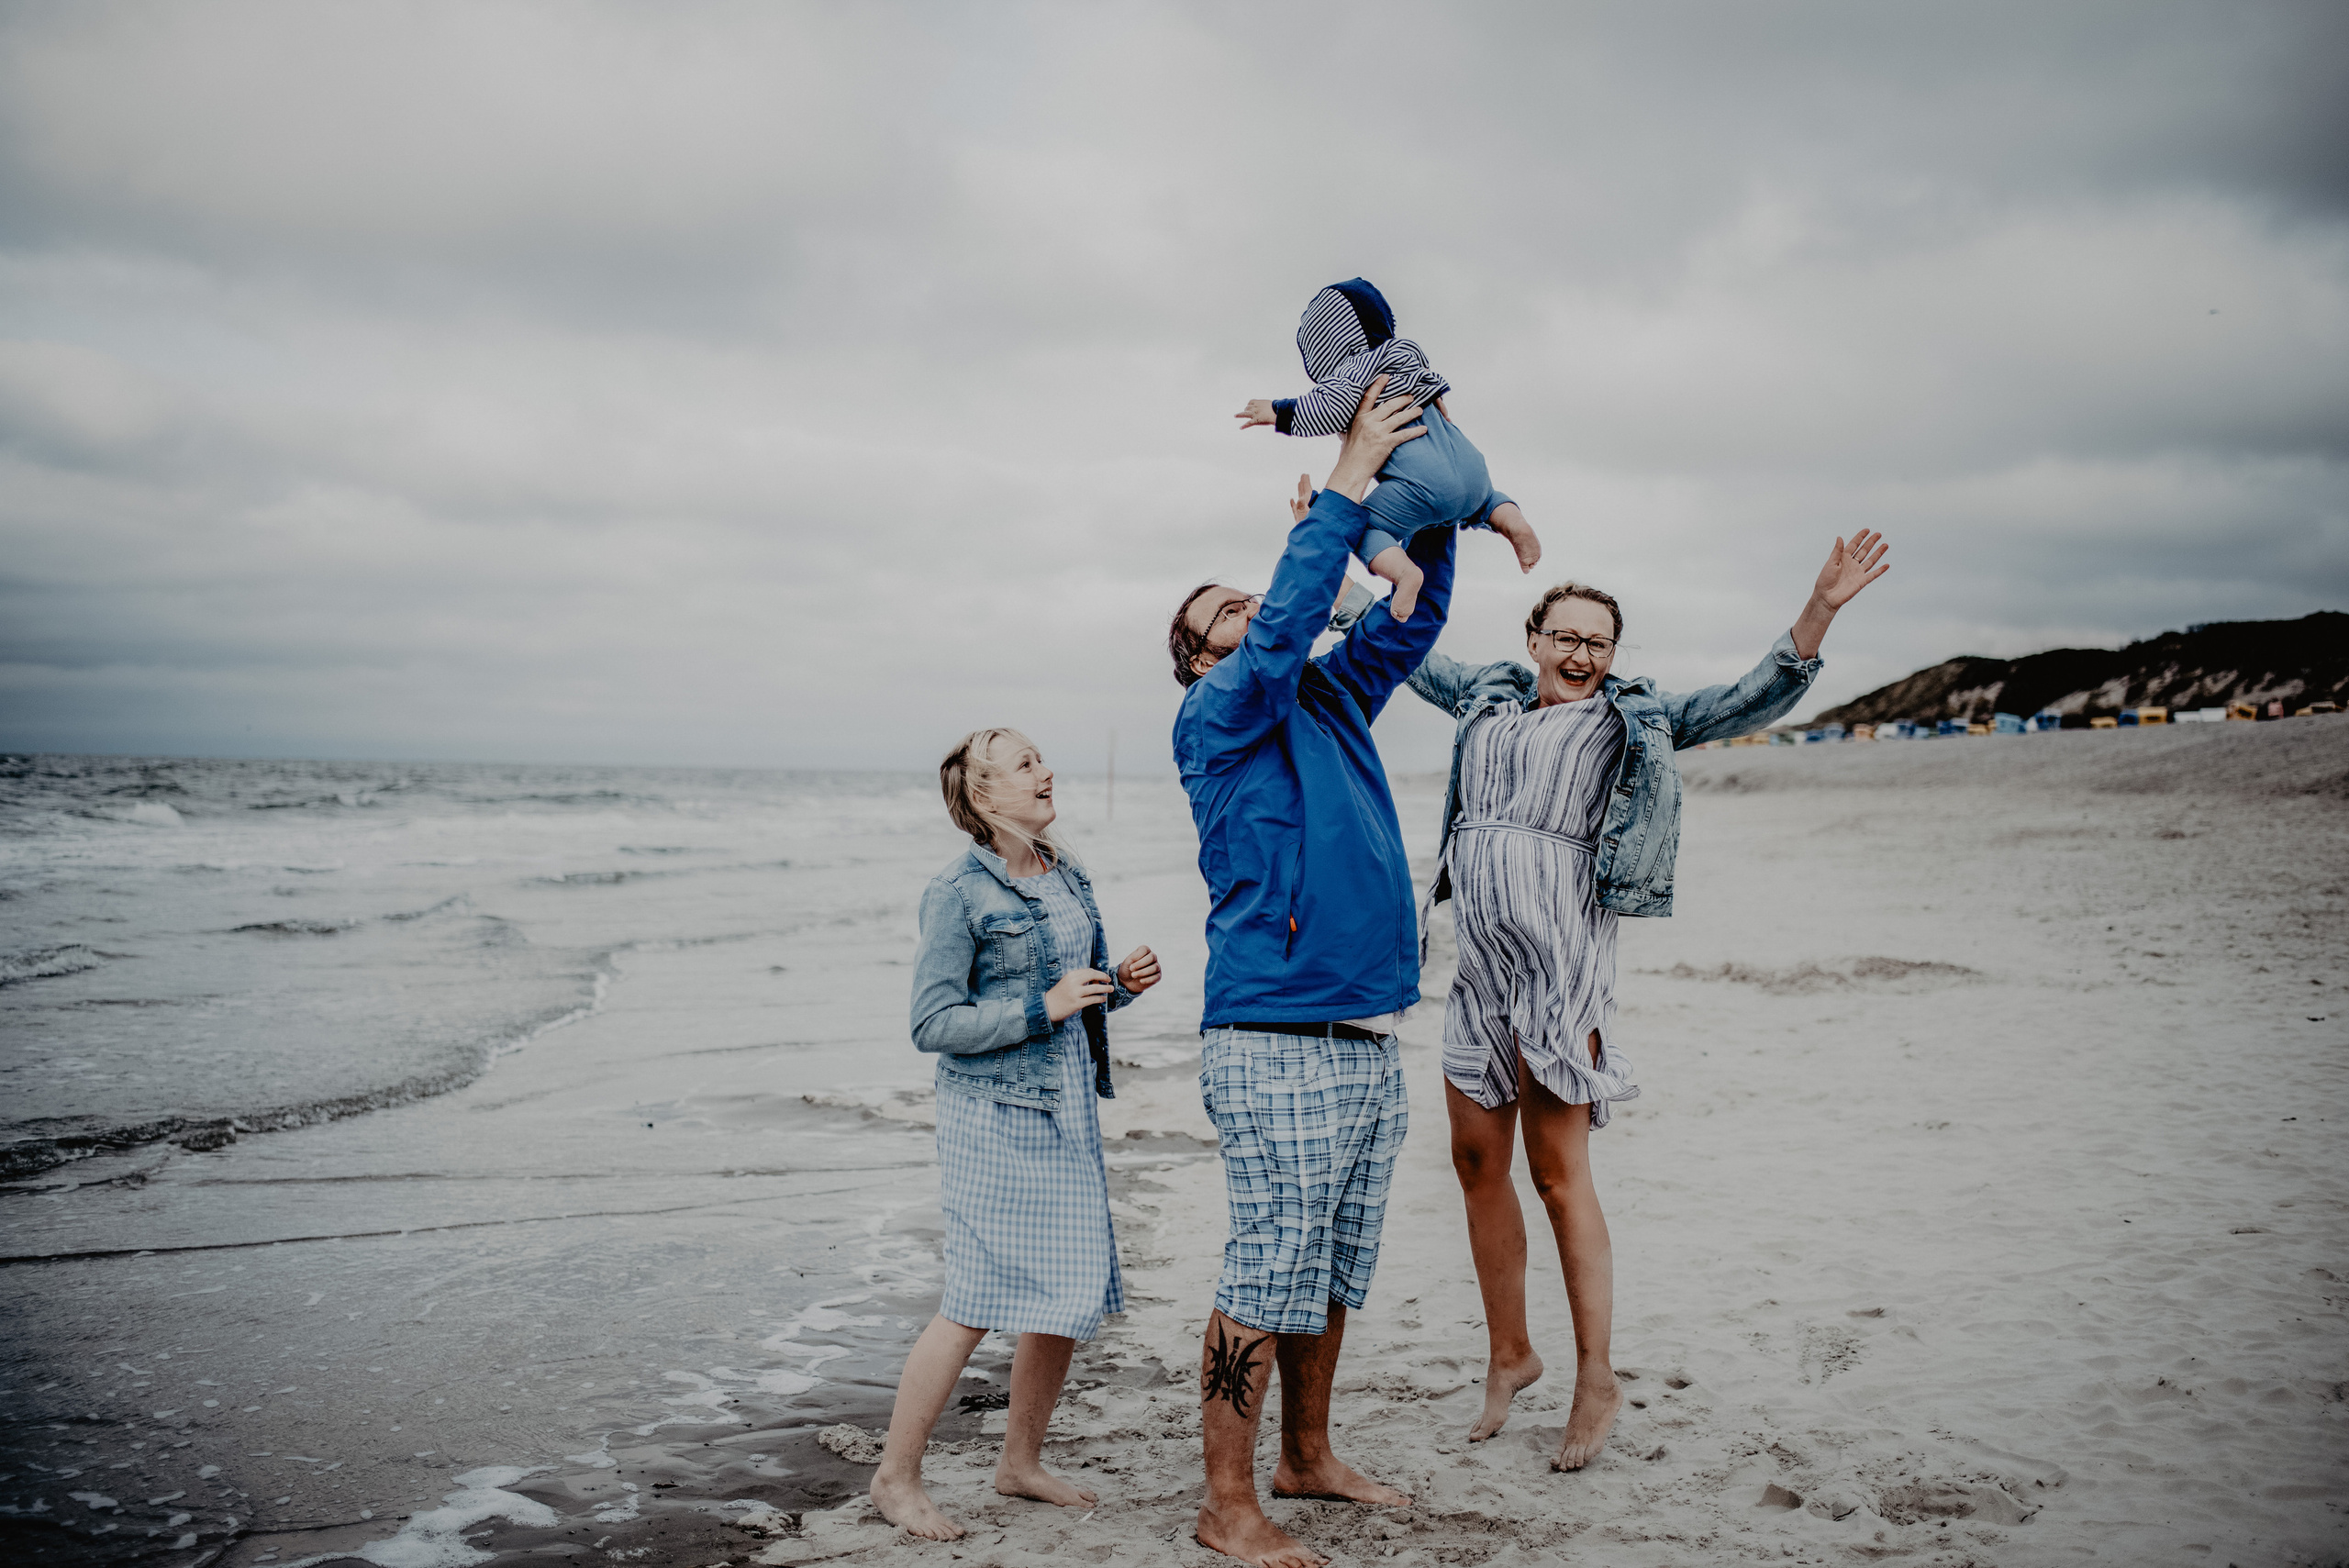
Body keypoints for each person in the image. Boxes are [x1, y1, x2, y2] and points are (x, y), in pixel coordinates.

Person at [1402, 531, 1892, 1473]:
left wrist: (1819, 609)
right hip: (1478, 968)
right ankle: (1510, 1349)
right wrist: (1340, 569)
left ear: (1612, 656)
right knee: (1473, 1159)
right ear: (1533, 636)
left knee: (1556, 1173)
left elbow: (1748, 697)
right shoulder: (1486, 695)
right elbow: (1409, 646)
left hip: (1561, 964)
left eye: (1599, 641)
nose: (1582, 653)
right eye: (1566, 635)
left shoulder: (1636, 717)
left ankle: (1595, 1376)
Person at [1169, 378, 1453, 1568]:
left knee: (1334, 1268)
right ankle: (1226, 1502)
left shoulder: (1330, 699)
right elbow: (1286, 623)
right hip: (1273, 1029)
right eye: (1220, 607)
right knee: (1266, 1265)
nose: (1248, 605)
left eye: (1249, 593)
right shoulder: (1218, 714)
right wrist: (1333, 495)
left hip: (1365, 1028)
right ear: (1195, 656)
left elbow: (1414, 619)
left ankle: (1308, 1456)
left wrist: (1420, 508)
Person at [871, 728, 1163, 1540]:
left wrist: (1119, 988)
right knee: (972, 1297)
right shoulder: (958, 891)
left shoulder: (1066, 870)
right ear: (984, 794)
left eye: (1043, 758)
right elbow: (933, 1023)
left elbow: (1077, 992)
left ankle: (1020, 1463)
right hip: (993, 1116)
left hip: (1065, 1104)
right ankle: (894, 1477)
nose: (1048, 770)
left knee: (1064, 1292)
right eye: (1027, 763)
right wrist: (1045, 1006)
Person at [1236, 277, 1541, 622]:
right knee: (1484, 502)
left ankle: (1405, 574)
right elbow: (1438, 392)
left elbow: (1324, 410)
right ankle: (1512, 522)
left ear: (1326, 347)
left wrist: (1277, 411)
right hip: (1471, 466)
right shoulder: (1406, 355)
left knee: (1358, 527)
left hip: (1423, 482)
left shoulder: (1352, 373)